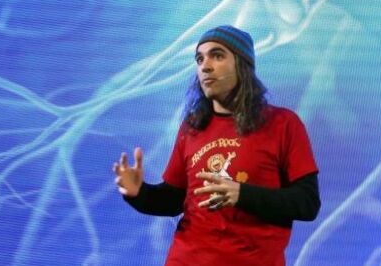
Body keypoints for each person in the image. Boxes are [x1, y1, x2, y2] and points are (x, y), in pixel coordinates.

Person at [113, 25, 320, 266]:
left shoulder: (283, 123)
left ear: (242, 65)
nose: (205, 66)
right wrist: (139, 193)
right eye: (200, 59)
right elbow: (174, 200)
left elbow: (307, 204)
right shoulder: (192, 127)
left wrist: (242, 194)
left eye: (217, 55)